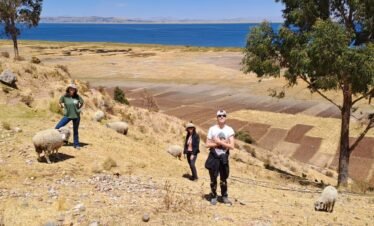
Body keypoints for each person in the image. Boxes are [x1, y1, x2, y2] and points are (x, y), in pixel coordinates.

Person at [205, 110, 235, 205]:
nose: (221, 117)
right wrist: (223, 143)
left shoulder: (229, 130)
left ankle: (224, 196)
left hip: (224, 157)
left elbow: (232, 146)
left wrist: (219, 142)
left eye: (223, 115)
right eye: (219, 115)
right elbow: (207, 144)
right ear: (217, 117)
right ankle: (214, 196)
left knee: (223, 178)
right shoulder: (212, 129)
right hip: (214, 156)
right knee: (213, 178)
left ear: (226, 117)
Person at [55, 84, 84, 150]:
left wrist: (79, 109)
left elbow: (82, 102)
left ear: (75, 90)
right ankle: (62, 139)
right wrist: (62, 108)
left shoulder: (77, 97)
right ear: (68, 89)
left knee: (75, 131)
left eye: (73, 89)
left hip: (76, 116)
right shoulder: (65, 96)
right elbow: (60, 102)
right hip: (67, 115)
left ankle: (76, 144)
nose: (72, 90)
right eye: (70, 88)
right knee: (57, 127)